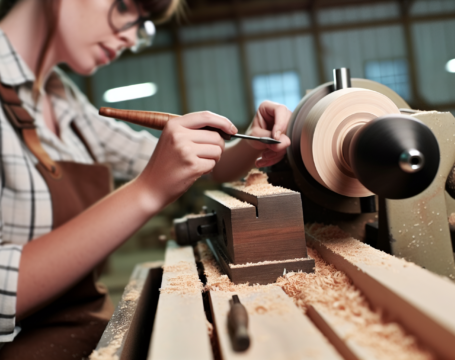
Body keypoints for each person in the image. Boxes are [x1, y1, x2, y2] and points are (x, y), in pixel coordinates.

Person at [0, 0, 291, 358]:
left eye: (142, 23)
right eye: (124, 6)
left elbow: (200, 166)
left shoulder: (63, 100)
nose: (130, 37)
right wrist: (148, 191)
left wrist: (250, 142)